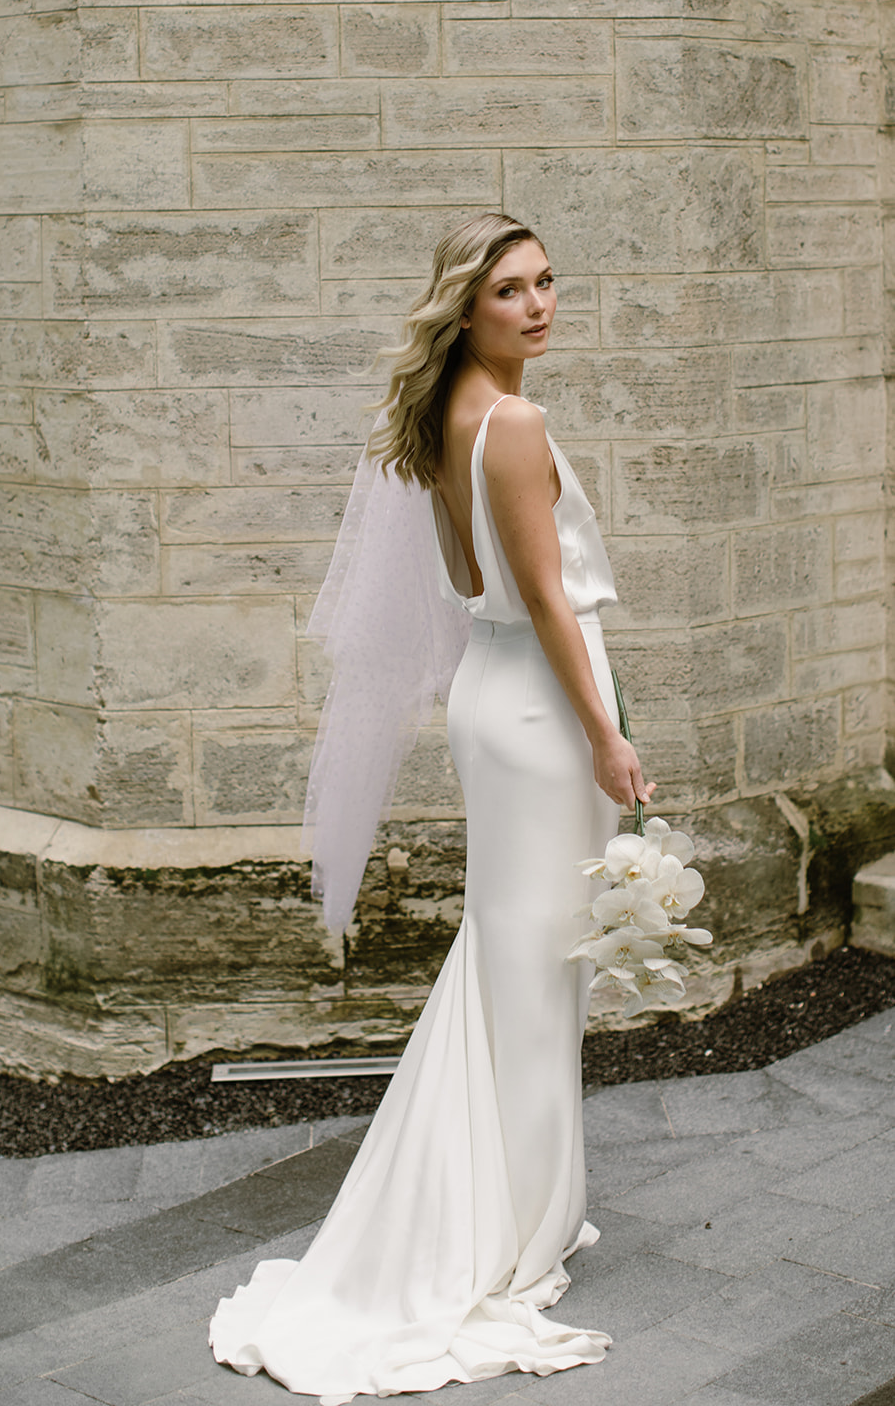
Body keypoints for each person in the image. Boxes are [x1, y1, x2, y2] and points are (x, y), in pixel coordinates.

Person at [209, 213, 655, 1399]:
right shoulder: (509, 422)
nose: (538, 305)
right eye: (510, 290)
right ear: (465, 309)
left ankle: (515, 1202)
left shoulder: (448, 409)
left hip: (493, 690)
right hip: (536, 711)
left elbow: (480, 594)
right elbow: (550, 604)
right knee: (525, 960)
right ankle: (497, 1223)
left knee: (516, 954)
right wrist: (606, 736)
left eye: (547, 282)